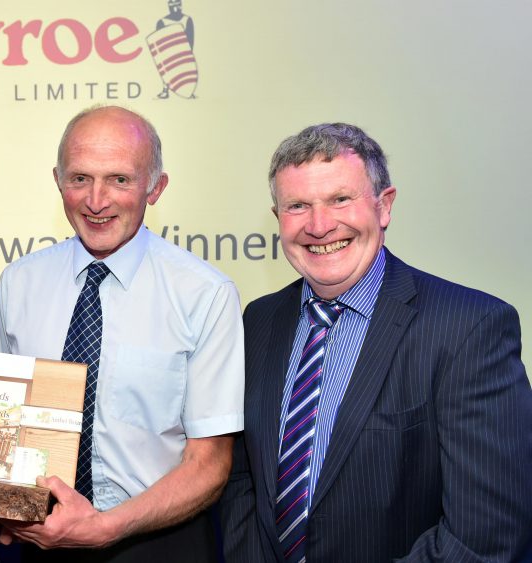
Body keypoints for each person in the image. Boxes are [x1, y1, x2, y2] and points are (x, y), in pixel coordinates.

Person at [219, 123, 532, 562]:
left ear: (384, 207)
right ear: (277, 219)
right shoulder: (258, 320)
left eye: (340, 199)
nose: (319, 225)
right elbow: (243, 482)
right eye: (297, 206)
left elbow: (485, 536)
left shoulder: (470, 328)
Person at [0, 105, 244, 561]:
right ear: (57, 180)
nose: (96, 200)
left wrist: (105, 527)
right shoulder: (18, 283)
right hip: (38, 542)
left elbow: (211, 464)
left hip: (158, 544)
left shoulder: (205, 293)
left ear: (155, 187)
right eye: (80, 178)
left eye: (120, 180)